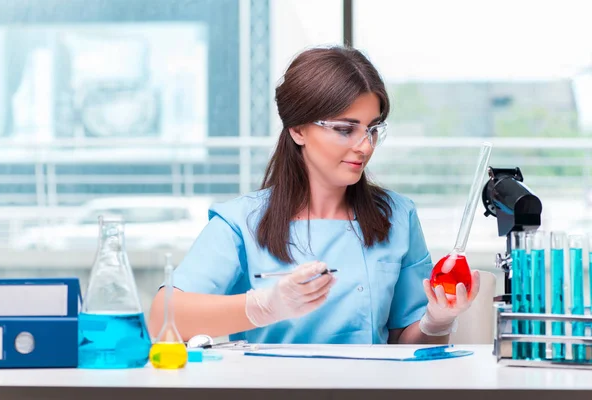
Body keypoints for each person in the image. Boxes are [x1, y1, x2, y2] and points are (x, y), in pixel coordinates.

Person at [148, 45, 480, 345]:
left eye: (373, 129)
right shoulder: (242, 222)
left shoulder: (396, 216)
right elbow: (161, 319)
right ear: (297, 129)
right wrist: (264, 306)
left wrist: (436, 322)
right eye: (345, 129)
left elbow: (405, 347)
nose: (364, 146)